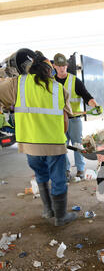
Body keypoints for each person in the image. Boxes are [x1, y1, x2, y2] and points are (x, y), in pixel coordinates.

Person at [0, 49, 77, 227]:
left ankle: (47, 210)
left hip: (30, 145)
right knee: (58, 180)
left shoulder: (17, 84)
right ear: (49, 70)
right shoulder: (59, 89)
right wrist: (60, 137)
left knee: (41, 176)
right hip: (54, 144)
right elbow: (65, 122)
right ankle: (60, 217)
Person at [53, 53, 100, 181]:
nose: (62, 68)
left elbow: (86, 96)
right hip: (59, 121)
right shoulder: (51, 82)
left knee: (77, 145)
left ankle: (80, 169)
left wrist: (94, 105)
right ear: (54, 66)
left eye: (64, 65)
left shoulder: (75, 81)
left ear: (67, 66)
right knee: (62, 146)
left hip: (74, 120)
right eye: (59, 66)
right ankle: (66, 170)